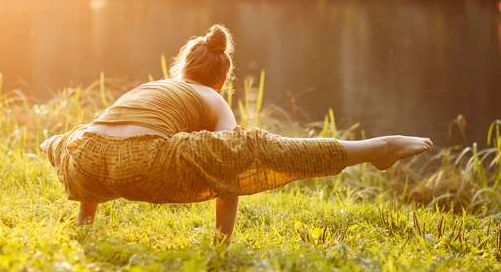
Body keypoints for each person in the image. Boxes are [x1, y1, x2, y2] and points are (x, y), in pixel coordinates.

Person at [41, 24, 433, 244]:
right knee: (249, 146)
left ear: (181, 70)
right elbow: (230, 166)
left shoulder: (155, 88)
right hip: (143, 163)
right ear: (224, 78)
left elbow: (109, 142)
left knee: (76, 139)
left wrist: (85, 225)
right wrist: (220, 244)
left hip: (83, 161)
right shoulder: (212, 97)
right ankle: (375, 149)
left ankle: (52, 152)